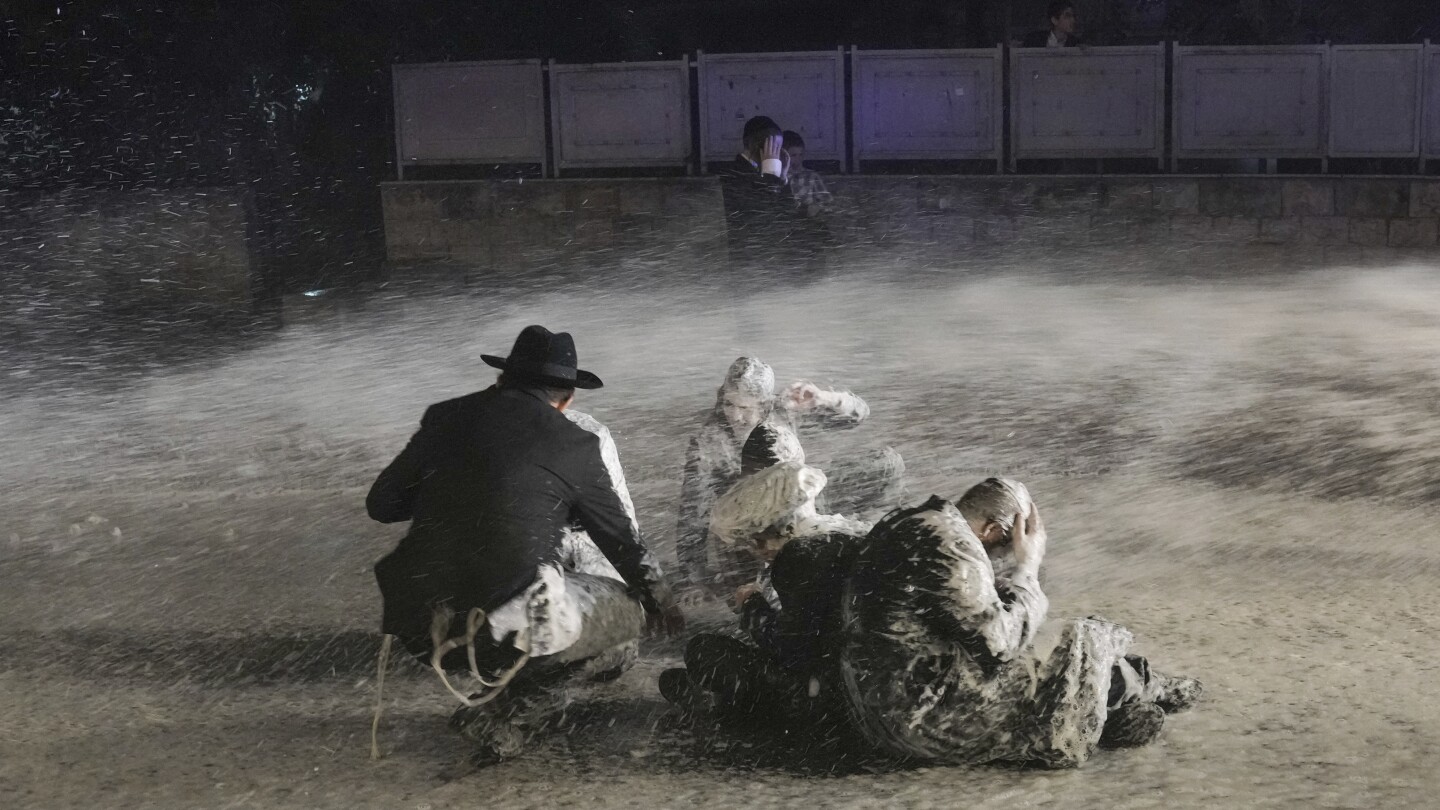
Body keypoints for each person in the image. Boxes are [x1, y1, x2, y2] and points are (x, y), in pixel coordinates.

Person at [366, 324, 684, 762]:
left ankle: (502, 691)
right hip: (497, 626)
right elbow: (621, 539)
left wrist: (458, 488)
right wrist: (661, 601)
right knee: (624, 622)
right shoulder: (573, 443)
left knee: (518, 600)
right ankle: (505, 714)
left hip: (421, 621)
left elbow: (382, 504)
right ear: (567, 400)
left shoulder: (444, 417)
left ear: (501, 379)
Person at [837, 481, 1202, 768]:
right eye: (1005, 546)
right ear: (992, 530)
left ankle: (1130, 694)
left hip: (879, 704)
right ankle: (1140, 690)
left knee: (1052, 643)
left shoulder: (913, 521)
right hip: (920, 718)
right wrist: (1028, 565)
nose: (1003, 557)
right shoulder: (952, 544)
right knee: (1076, 638)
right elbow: (1000, 644)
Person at [660, 460, 871, 732]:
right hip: (863, 681)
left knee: (704, 649)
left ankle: (741, 706)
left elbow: (791, 649)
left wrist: (751, 604)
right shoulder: (846, 536)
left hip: (825, 696)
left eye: (754, 541)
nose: (755, 552)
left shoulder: (798, 557)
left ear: (778, 529)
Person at [675, 356, 901, 595]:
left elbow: (859, 416)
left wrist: (825, 398)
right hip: (752, 527)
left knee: (887, 463)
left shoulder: (783, 410)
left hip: (803, 503)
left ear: (764, 405)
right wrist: (693, 577)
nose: (735, 416)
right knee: (763, 591)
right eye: (729, 404)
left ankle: (868, 545)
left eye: (745, 408)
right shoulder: (709, 442)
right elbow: (693, 509)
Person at [714, 115, 813, 275]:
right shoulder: (734, 174)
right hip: (749, 266)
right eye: (773, 147)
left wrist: (783, 179)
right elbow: (758, 216)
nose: (777, 154)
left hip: (772, 263)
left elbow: (787, 216)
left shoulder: (766, 173)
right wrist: (771, 177)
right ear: (758, 145)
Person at [782, 130, 834, 219]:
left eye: (801, 155)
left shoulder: (811, 177)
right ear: (783, 155)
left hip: (807, 224)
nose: (798, 160)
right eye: (793, 155)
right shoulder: (778, 178)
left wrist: (817, 208)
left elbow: (827, 203)